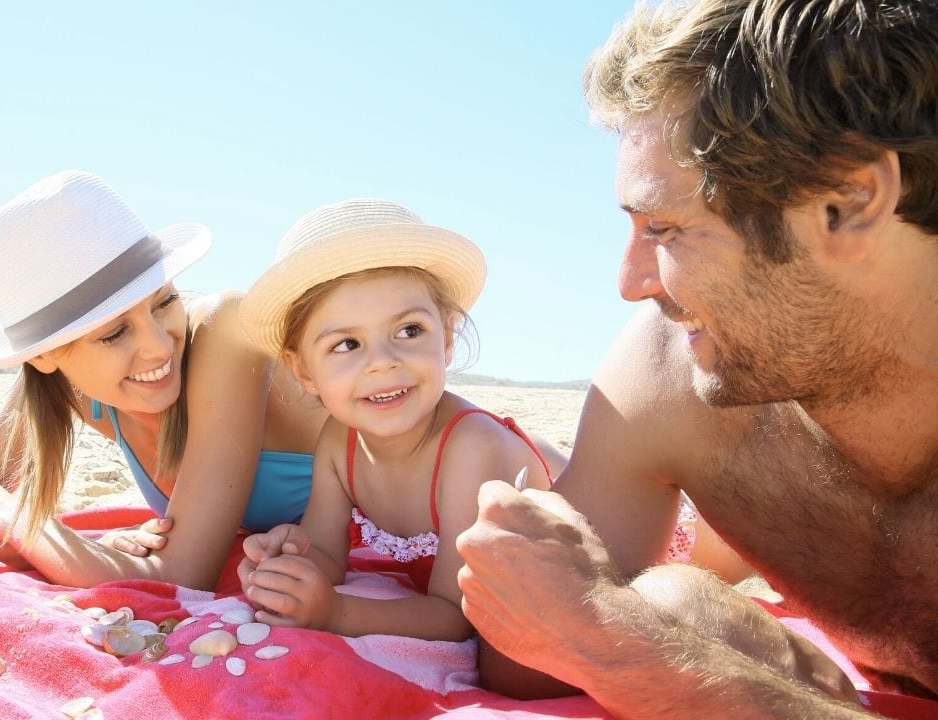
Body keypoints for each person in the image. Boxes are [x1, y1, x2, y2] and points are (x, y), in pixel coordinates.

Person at [455, 0, 938, 717]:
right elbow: (526, 661)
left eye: (667, 229)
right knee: (673, 598)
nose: (631, 283)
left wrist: (617, 640)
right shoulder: (666, 380)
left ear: (850, 200)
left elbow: (584, 633)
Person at [0, 170, 329, 590]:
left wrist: (26, 524)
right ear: (44, 355)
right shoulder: (62, 386)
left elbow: (183, 577)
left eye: (165, 301)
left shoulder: (222, 328)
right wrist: (91, 551)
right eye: (114, 333)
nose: (158, 346)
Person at [233, 198, 559, 652]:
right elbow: (328, 559)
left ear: (445, 340)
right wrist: (292, 561)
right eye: (347, 344)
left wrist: (335, 613)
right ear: (303, 371)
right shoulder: (338, 440)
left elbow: (457, 614)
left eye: (409, 331)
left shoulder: (472, 449)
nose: (384, 362)